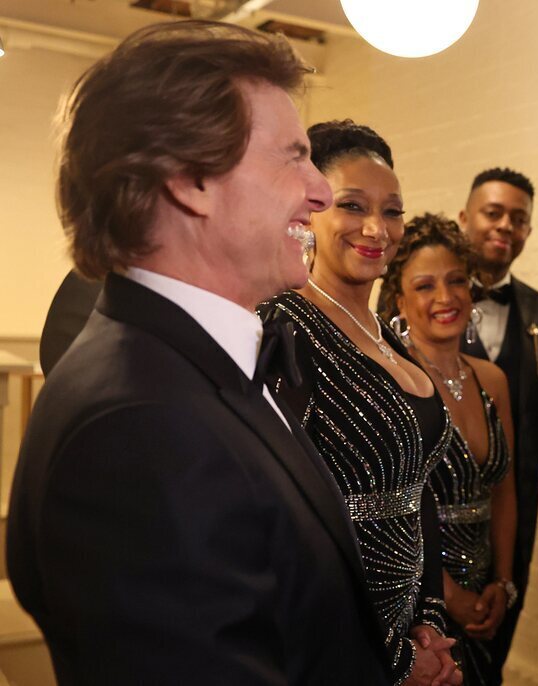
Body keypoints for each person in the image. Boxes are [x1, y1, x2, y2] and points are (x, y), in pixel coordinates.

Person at [6, 21, 389, 684]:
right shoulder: (140, 429)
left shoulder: (181, 364)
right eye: (292, 157)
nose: (320, 192)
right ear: (190, 180)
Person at [261, 120, 461, 686]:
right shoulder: (284, 329)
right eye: (352, 205)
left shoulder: (387, 334)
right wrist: (393, 658)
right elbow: (286, 525)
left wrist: (426, 620)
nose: (377, 228)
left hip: (405, 621)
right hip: (331, 641)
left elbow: (419, 495)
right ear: (311, 211)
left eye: (393, 211)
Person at [378, 213, 518, 686]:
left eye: (457, 280)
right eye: (424, 285)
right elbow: (389, 512)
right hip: (419, 602)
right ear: (399, 299)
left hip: (486, 593)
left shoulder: (492, 379)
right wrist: (448, 595)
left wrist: (502, 582)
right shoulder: (391, 381)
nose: (445, 297)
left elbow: (504, 492)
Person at [457, 167, 538, 673]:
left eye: (518, 219)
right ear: (464, 219)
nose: (504, 226)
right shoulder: (415, 300)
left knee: (494, 646)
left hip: (514, 504)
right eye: (492, 213)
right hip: (430, 511)